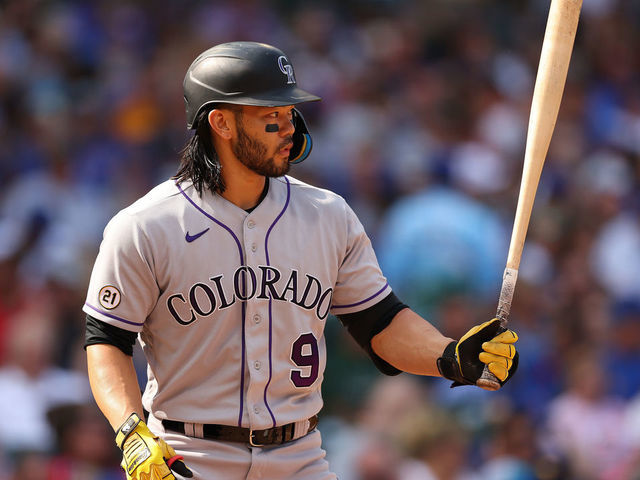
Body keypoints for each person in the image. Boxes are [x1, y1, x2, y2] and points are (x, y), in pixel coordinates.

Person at [83, 41, 519, 480]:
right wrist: (129, 430)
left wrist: (450, 355)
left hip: (300, 457)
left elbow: (380, 323)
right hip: (189, 458)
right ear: (221, 123)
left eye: (290, 112)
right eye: (271, 115)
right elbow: (106, 338)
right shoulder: (146, 225)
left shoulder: (327, 215)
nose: (289, 126)